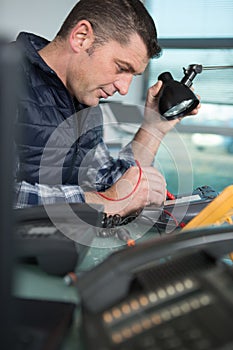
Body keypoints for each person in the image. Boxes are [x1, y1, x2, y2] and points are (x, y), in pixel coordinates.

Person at [13, 0, 199, 218]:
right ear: (81, 37)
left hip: (58, 247)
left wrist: (154, 127)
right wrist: (105, 201)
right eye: (121, 68)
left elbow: (106, 181)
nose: (123, 88)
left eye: (133, 76)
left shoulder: (84, 100)